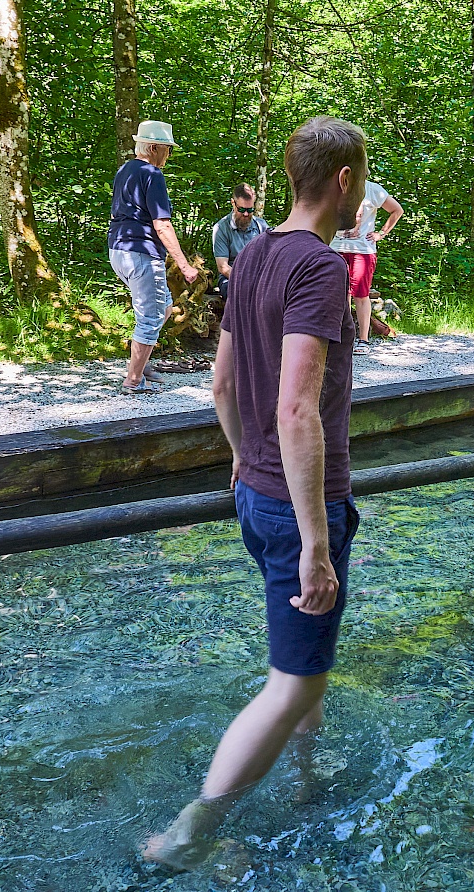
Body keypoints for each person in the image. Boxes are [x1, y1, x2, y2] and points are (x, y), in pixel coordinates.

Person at [140, 116, 366, 872]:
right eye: (360, 178)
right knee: (289, 681)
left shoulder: (256, 256)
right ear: (343, 182)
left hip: (255, 492)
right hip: (302, 503)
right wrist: (314, 542)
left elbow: (223, 383)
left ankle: (305, 779)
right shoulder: (320, 268)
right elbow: (298, 407)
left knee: (308, 664)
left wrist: (240, 460)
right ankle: (189, 834)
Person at [108, 120, 200, 392]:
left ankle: (140, 361)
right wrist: (184, 265)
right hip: (141, 253)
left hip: (119, 250)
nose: (169, 155)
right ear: (154, 147)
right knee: (150, 316)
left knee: (163, 308)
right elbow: (162, 224)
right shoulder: (152, 174)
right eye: (167, 149)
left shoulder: (125, 170)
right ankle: (134, 380)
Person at [329, 179, 402, 355]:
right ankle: (343, 337)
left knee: (361, 296)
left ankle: (363, 340)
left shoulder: (371, 189)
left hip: (362, 250)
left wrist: (381, 234)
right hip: (335, 248)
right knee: (340, 295)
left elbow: (397, 210)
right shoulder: (332, 186)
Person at [211, 183, 269, 299]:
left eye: (250, 210)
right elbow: (223, 267)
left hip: (259, 276)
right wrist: (246, 282)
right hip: (231, 277)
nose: (246, 214)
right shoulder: (221, 228)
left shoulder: (261, 226)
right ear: (233, 203)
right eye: (241, 209)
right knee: (239, 293)